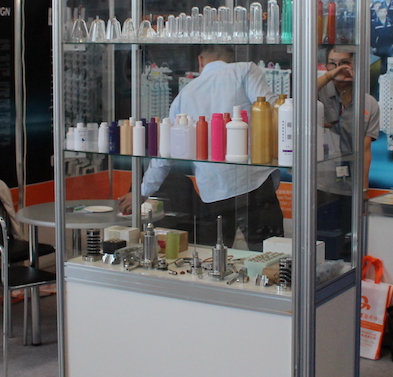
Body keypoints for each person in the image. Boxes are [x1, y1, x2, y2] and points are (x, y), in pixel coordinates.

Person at [119, 46, 282, 250]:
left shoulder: (185, 94)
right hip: (254, 185)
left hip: (214, 191)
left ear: (200, 61)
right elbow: (275, 110)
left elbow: (165, 153)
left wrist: (142, 192)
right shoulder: (245, 70)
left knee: (216, 257)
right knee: (272, 254)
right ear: (230, 59)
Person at [315, 47, 380, 260]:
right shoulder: (319, 94)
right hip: (322, 184)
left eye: (344, 63)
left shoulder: (368, 103)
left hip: (350, 185)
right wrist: (330, 75)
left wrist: (363, 189)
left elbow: (365, 149)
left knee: (347, 246)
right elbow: (300, 94)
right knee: (321, 243)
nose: (338, 69)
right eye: (332, 64)